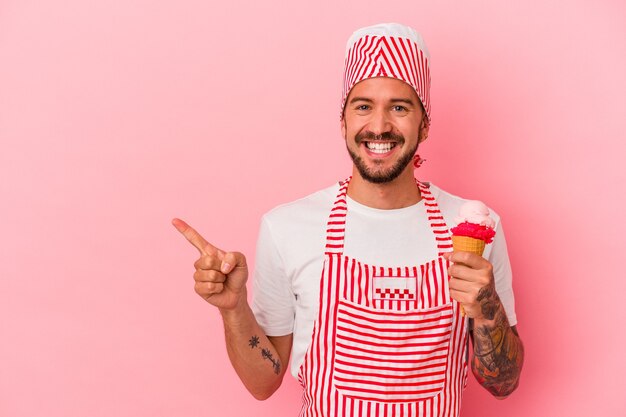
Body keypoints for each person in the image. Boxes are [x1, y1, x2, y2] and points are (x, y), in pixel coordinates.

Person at [173, 23, 524, 416]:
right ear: (343, 122)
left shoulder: (474, 226)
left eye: (399, 107)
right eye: (363, 106)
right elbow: (262, 384)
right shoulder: (286, 228)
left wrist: (487, 306)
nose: (379, 126)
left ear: (424, 124)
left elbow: (504, 385)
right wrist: (233, 307)